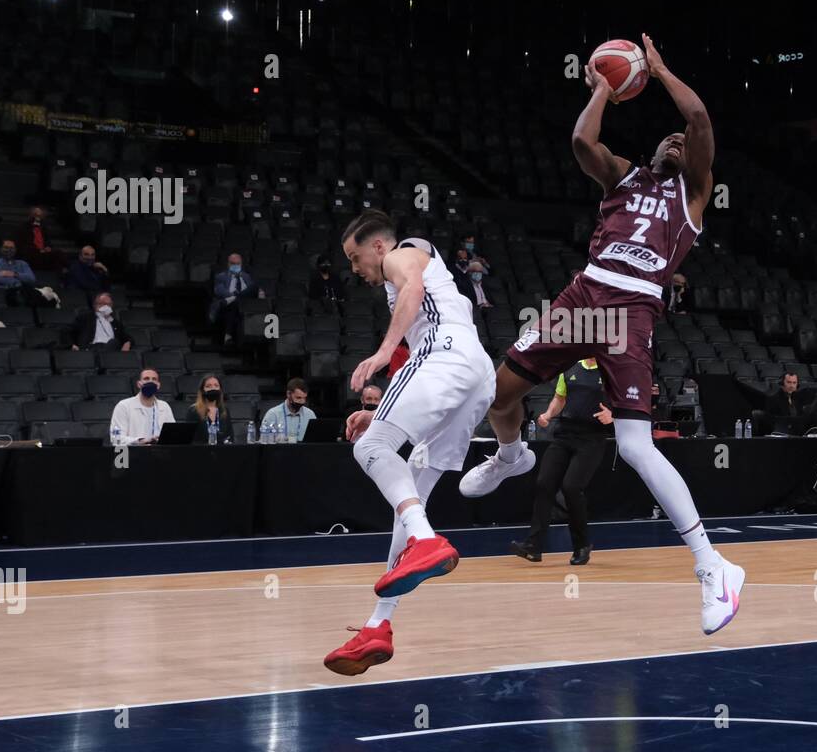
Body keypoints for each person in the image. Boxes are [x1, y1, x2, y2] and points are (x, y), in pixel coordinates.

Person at [457, 33, 745, 636]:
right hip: (586, 295)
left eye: (681, 143)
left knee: (637, 447)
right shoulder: (624, 179)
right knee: (497, 395)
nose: (674, 140)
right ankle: (512, 457)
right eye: (665, 139)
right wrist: (603, 89)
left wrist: (660, 71)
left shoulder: (691, 195)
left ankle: (712, 567)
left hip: (632, 310)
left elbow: (696, 116)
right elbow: (581, 141)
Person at [323, 211, 496, 676]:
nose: (354, 267)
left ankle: (425, 540)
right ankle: (379, 625)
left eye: (354, 257)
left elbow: (415, 294)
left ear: (377, 247)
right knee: (412, 496)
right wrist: (377, 411)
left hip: (445, 356)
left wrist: (381, 352)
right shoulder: (416, 277)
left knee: (370, 449)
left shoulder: (402, 254)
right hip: (475, 374)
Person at [511, 358, 613, 565]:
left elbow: (627, 400)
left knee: (571, 487)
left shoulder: (611, 369)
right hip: (564, 435)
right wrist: (548, 414)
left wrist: (613, 414)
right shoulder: (570, 367)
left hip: (591, 439)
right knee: (544, 484)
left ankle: (582, 545)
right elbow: (560, 398)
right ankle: (534, 546)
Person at [109, 369, 175, 445]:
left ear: (158, 385)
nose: (150, 382)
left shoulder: (164, 406)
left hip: (160, 452)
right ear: (139, 384)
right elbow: (116, 438)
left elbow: (172, 435)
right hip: (134, 453)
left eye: (154, 379)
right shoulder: (124, 406)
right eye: (146, 379)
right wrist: (140, 441)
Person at [210, 253, 260, 346]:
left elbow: (251, 291)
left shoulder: (247, 277)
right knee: (234, 305)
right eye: (233, 263)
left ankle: (228, 336)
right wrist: (233, 296)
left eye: (238, 263)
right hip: (226, 305)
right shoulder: (221, 276)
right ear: (228, 264)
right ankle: (228, 336)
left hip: (244, 305)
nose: (235, 266)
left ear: (241, 264)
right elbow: (219, 291)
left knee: (254, 287)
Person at [0, 241, 48, 308]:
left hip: (22, 296)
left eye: (11, 248)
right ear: (1, 249)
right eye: (6, 247)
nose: (9, 250)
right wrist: (19, 282)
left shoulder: (22, 264)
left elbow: (31, 279)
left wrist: (14, 274)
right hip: (1, 295)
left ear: (15, 250)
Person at [260, 378, 315, 443]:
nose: (302, 401)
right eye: (298, 398)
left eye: (304, 398)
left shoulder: (310, 415)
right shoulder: (273, 414)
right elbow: (264, 442)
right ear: (288, 394)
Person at [185, 374, 234, 444]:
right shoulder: (193, 411)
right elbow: (189, 439)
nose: (213, 389)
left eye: (216, 386)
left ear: (220, 390)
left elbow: (230, 437)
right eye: (208, 386)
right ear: (202, 390)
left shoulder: (224, 410)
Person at [16, 206, 61, 271]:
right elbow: (23, 242)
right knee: (31, 252)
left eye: (40, 215)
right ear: (31, 215)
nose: (38, 217)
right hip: (31, 251)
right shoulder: (24, 226)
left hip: (43, 250)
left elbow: (47, 240)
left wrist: (48, 247)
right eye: (36, 215)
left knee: (58, 253)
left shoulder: (43, 227)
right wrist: (39, 250)